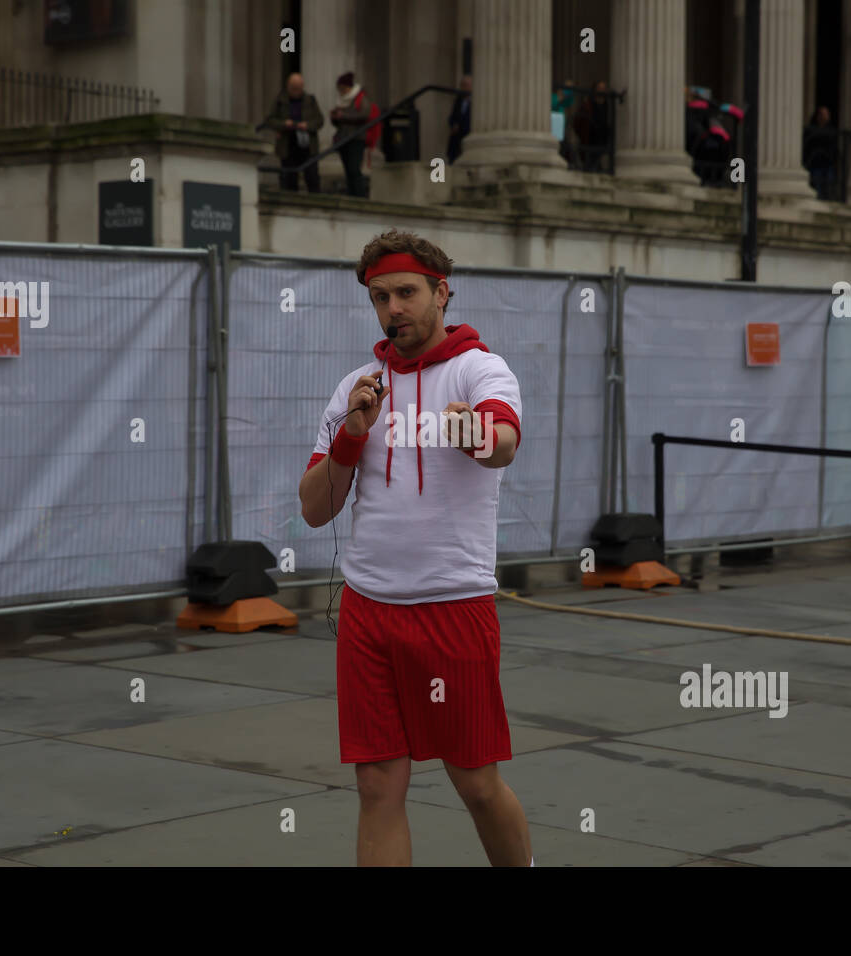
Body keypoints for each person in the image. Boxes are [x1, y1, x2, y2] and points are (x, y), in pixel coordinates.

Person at [298, 229, 531, 867]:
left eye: (405, 292)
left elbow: (504, 443)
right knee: (376, 785)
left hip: (452, 607)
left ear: (441, 292)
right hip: (368, 610)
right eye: (379, 297)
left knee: (475, 782)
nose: (392, 308)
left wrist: (471, 430)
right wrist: (350, 435)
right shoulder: (358, 386)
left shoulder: (480, 368)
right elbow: (315, 509)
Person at [263, 72, 323, 193]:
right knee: (289, 178)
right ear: (288, 87)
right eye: (293, 88)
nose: (296, 91)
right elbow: (270, 120)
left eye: (298, 88)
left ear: (302, 86)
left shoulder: (310, 100)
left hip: (308, 145)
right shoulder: (280, 101)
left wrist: (307, 125)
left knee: (312, 177)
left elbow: (319, 120)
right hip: (288, 144)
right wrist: (284, 124)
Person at [329, 72, 372, 197]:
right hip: (343, 138)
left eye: (342, 88)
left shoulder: (360, 98)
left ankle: (359, 196)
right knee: (348, 170)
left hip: (356, 138)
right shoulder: (341, 100)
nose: (341, 91)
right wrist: (335, 117)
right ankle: (352, 194)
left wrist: (344, 115)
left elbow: (364, 114)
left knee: (354, 170)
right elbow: (339, 123)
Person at [571, 81, 613, 173]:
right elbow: (578, 120)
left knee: (598, 155)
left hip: (603, 135)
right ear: (595, 89)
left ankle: (596, 167)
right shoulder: (588, 103)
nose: (601, 90)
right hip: (590, 135)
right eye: (599, 88)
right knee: (589, 156)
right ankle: (590, 168)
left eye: (603, 88)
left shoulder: (607, 105)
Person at [803, 106, 839, 200]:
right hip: (815, 162)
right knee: (817, 183)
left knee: (829, 184)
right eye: (822, 114)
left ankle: (828, 198)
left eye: (826, 114)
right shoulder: (812, 129)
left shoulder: (831, 129)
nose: (825, 116)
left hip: (828, 162)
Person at [447, 74, 472, 164]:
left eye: (466, 85)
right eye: (462, 85)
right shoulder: (458, 100)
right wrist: (453, 124)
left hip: (467, 137)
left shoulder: (476, 102)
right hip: (456, 140)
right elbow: (452, 117)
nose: (463, 88)